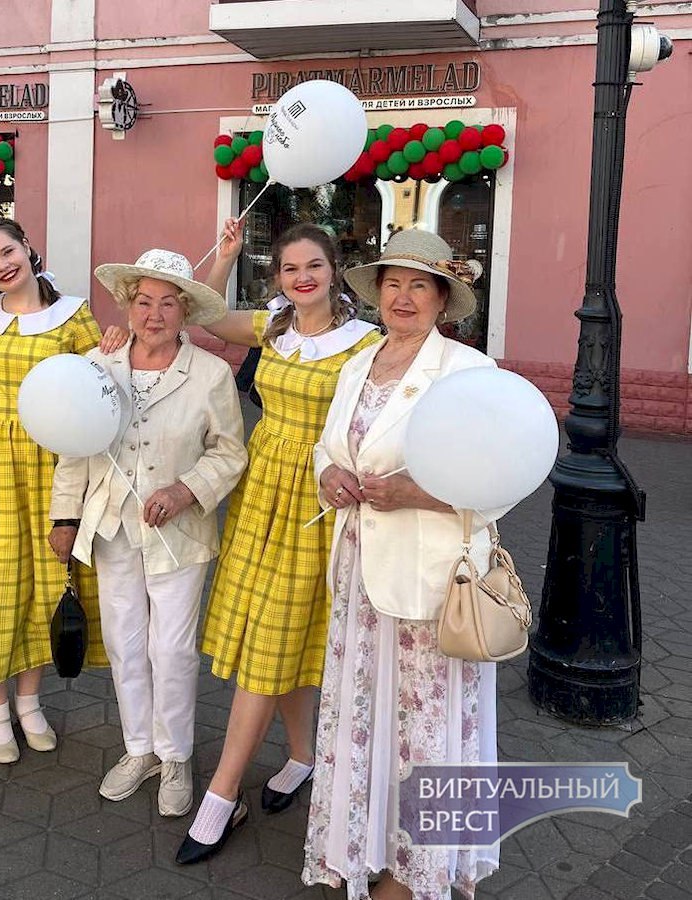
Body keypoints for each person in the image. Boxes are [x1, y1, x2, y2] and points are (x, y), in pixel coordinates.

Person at [302, 229, 503, 899]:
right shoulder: (360, 363)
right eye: (392, 283)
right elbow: (329, 448)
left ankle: (420, 872)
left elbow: (502, 477)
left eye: (419, 284)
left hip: (430, 575)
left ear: (443, 297)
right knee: (363, 714)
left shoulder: (467, 371)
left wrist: (417, 491)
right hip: (360, 569)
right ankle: (361, 845)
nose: (403, 296)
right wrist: (329, 474)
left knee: (424, 724)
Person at [176, 218, 381, 863]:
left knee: (274, 636)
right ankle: (302, 756)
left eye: (313, 266)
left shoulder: (363, 344)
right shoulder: (277, 327)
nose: (302, 278)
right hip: (264, 487)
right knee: (280, 637)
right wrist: (226, 255)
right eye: (290, 269)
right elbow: (200, 315)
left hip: (320, 497)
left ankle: (222, 793)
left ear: (335, 268)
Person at [49, 249, 248, 816]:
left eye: (167, 303)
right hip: (111, 527)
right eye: (143, 302)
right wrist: (65, 516)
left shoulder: (209, 373)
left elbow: (230, 452)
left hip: (178, 534)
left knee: (174, 648)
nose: (154, 314)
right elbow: (76, 447)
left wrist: (185, 490)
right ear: (127, 306)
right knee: (124, 642)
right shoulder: (99, 365)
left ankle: (176, 754)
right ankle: (139, 748)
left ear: (184, 312)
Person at [0, 215, 106, 765]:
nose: (2, 266)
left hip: (52, 464)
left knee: (42, 580)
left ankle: (30, 701)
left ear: (28, 246)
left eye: (7, 252)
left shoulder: (74, 318)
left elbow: (103, 388)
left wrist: (118, 345)